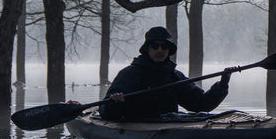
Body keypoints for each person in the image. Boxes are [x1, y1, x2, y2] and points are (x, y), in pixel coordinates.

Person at [101, 26, 237, 121]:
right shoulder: (129, 74)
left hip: (169, 128)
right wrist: (115, 103)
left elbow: (201, 104)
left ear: (169, 50)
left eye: (164, 46)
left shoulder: (175, 77)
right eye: (155, 46)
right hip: (137, 128)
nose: (160, 50)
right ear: (147, 49)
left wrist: (222, 84)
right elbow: (106, 113)